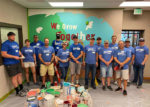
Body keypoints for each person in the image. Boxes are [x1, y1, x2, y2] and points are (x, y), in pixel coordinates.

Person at [1, 32, 25, 97]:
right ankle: (17, 91)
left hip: (17, 62)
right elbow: (3, 54)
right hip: (10, 63)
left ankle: (22, 89)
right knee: (14, 77)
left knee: (19, 75)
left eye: (14, 36)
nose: (13, 37)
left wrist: (21, 54)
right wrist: (13, 56)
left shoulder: (15, 43)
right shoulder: (5, 44)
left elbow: (18, 50)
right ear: (8, 36)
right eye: (12, 36)